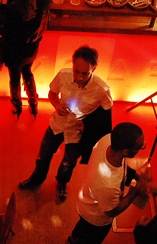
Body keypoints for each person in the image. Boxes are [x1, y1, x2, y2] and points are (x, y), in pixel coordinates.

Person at [18, 45, 113, 201]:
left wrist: (87, 126)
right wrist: (56, 105)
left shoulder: (102, 89)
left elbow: (106, 117)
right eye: (76, 71)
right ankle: (36, 179)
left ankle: (62, 183)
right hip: (57, 125)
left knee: (68, 163)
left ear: (94, 68)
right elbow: (52, 93)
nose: (79, 77)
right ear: (72, 64)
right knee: (43, 155)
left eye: (85, 73)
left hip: (76, 132)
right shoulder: (63, 75)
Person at [68, 122, 150, 244]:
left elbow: (122, 166)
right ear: (126, 151)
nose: (141, 149)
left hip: (86, 202)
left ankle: (73, 239)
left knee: (81, 229)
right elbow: (113, 211)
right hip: (97, 218)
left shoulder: (107, 140)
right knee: (89, 243)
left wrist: (135, 175)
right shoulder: (108, 184)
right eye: (139, 147)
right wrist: (136, 190)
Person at [0, 0, 51, 118]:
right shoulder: (43, 2)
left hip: (14, 50)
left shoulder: (13, 9)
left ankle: (16, 104)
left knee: (15, 76)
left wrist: (3, 5)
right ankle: (33, 102)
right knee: (27, 71)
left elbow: (3, 26)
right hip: (31, 49)